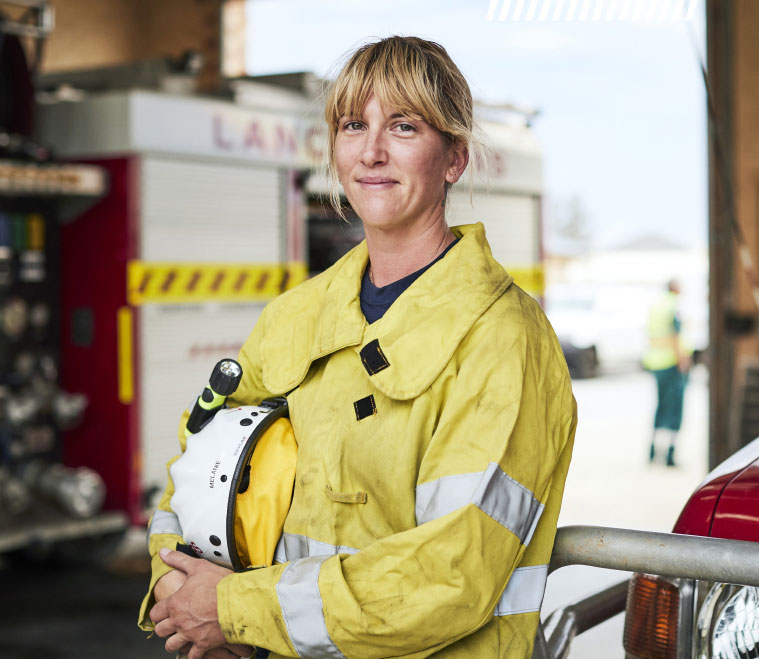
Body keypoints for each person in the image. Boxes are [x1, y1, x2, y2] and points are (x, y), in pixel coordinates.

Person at [139, 36, 577, 659]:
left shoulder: (504, 340)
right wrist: (181, 595)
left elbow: (449, 575)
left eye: (403, 126)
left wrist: (235, 610)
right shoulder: (297, 315)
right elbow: (195, 464)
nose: (371, 151)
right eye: (353, 125)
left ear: (453, 158)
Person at [643, 280, 692, 467]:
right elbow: (675, 334)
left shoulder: (656, 306)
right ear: (676, 288)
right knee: (675, 409)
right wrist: (683, 360)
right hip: (672, 363)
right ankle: (670, 453)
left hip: (656, 363)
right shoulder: (674, 306)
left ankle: (653, 450)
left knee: (661, 406)